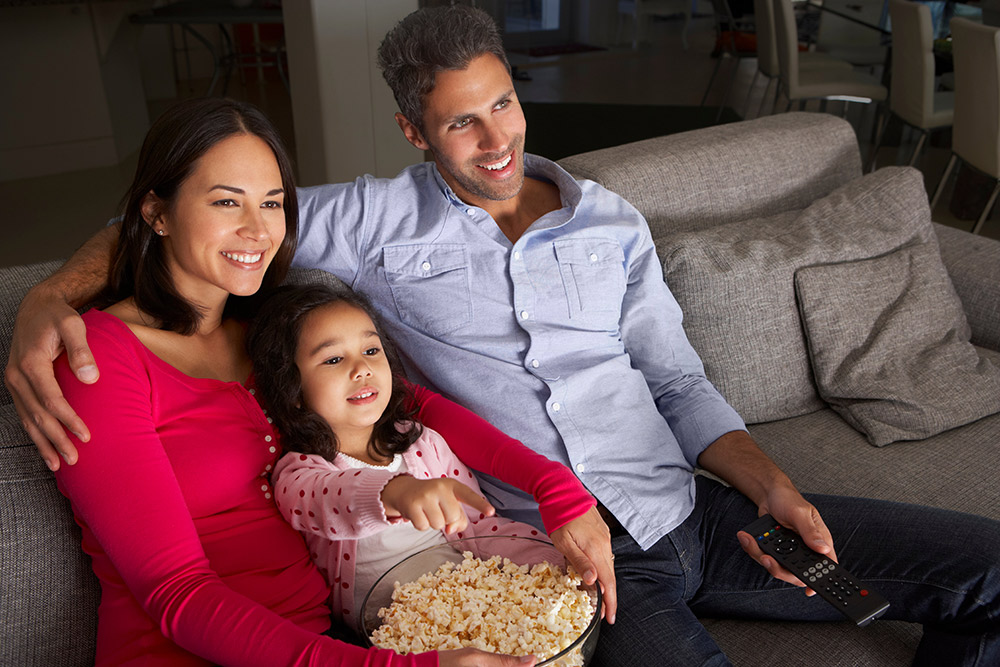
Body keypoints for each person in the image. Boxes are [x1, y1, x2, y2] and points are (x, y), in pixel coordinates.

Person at [7, 6, 999, 665]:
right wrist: (54, 291)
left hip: (689, 505)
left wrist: (767, 481)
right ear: (412, 134)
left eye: (503, 105)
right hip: (565, 555)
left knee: (987, 574)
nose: (495, 142)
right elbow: (214, 222)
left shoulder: (608, 220)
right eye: (457, 125)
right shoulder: (367, 222)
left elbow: (675, 374)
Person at [39, 94, 614, 667]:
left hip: (332, 638)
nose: (257, 230)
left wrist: (553, 486)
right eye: (225, 202)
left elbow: (409, 405)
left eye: (271, 203)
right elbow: (176, 596)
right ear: (156, 213)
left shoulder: (269, 329)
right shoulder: (95, 361)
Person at [247, 283, 578, 632]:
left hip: (477, 605)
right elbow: (328, 499)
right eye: (333, 359)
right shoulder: (300, 472)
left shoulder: (423, 443)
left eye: (371, 350)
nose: (362, 368)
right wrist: (394, 492)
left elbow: (478, 527)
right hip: (399, 635)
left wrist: (549, 561)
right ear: (293, 390)